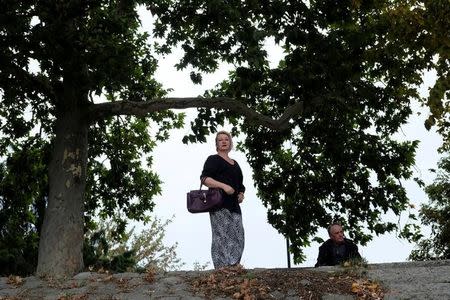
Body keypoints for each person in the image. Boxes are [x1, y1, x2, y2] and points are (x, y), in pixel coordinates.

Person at [200, 130, 246, 269]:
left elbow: (240, 184)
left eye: (226, 139)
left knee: (238, 236)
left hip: (234, 206)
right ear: (217, 144)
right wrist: (224, 186)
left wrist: (241, 193)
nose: (224, 141)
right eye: (220, 140)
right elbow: (205, 179)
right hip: (219, 204)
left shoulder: (235, 164)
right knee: (221, 236)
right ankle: (221, 268)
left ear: (230, 143)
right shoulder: (213, 159)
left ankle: (233, 265)